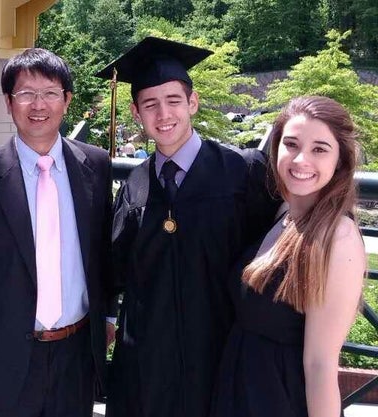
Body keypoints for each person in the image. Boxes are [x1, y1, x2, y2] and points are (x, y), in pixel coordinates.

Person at [101, 37, 281, 417]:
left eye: (173, 100)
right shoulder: (134, 187)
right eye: (150, 104)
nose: (163, 113)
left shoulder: (243, 172)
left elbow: (282, 245)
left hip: (220, 356)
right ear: (136, 113)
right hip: (149, 365)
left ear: (193, 103)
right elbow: (114, 270)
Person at [0, 48, 115, 417]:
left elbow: (104, 252)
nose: (38, 104)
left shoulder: (95, 165)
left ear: (67, 100)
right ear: (8, 102)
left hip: (75, 352)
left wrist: (109, 317)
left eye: (50, 93)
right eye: (26, 93)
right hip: (1, 355)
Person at [211, 96, 365, 417]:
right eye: (291, 144)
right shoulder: (285, 212)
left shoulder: (338, 237)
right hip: (241, 392)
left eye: (320, 149)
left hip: (279, 402)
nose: (301, 159)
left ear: (340, 160)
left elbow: (320, 365)